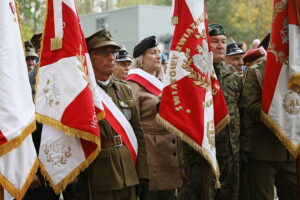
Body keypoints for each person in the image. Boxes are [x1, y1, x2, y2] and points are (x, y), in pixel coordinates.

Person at [76, 29, 149, 200]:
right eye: (104, 53)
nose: (111, 58)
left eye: (113, 52)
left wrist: (143, 173)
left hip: (129, 171)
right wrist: (74, 180)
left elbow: (138, 133)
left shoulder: (124, 89)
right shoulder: (81, 92)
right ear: (89, 57)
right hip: (99, 176)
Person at [180, 24, 242, 200]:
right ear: (203, 45)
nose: (220, 46)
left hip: (230, 152)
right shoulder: (190, 76)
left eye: (223, 41)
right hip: (201, 155)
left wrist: (244, 148)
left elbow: (241, 113)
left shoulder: (233, 74)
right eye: (214, 41)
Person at [126, 36, 183, 200]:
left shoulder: (164, 82)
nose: (159, 56)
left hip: (170, 154)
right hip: (151, 154)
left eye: (159, 52)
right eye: (152, 52)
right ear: (140, 59)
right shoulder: (133, 84)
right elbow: (131, 123)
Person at [240, 59, 297, 199]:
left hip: (293, 152)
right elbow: (251, 110)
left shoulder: (297, 70)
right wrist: (281, 107)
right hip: (264, 153)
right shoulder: (257, 71)